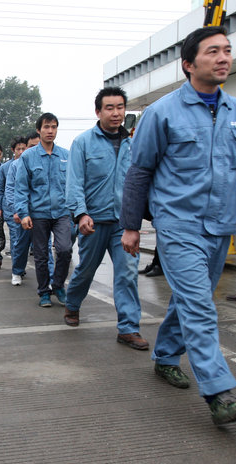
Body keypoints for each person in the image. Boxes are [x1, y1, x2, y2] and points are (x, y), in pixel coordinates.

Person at [120, 26, 236, 425]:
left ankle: (166, 356)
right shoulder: (162, 113)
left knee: (188, 300)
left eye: (227, 51)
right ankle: (219, 392)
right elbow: (139, 172)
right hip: (178, 225)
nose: (223, 58)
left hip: (221, 227)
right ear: (189, 64)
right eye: (213, 51)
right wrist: (131, 226)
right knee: (201, 307)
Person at [65, 87, 148, 350]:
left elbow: (140, 182)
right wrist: (80, 214)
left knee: (127, 273)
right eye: (109, 108)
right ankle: (72, 304)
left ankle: (128, 328)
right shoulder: (83, 143)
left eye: (120, 107)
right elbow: (74, 182)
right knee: (86, 270)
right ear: (98, 111)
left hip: (124, 224)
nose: (116, 113)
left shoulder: (133, 144)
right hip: (93, 222)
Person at [14, 113, 72, 308]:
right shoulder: (28, 157)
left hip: (62, 213)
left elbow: (74, 185)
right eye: (46, 127)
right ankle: (44, 292)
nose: (50, 131)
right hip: (38, 214)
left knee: (65, 249)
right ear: (39, 130)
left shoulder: (66, 155)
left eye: (54, 127)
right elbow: (21, 188)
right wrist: (23, 214)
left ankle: (57, 285)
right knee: (41, 255)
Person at [4, 132, 39, 285]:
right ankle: (17, 271)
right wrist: (16, 210)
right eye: (30, 147)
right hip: (23, 211)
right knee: (21, 244)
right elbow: (10, 190)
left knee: (43, 246)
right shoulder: (15, 166)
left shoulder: (47, 161)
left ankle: (48, 277)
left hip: (41, 212)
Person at [0, 136, 27, 263]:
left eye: (23, 149)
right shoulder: (5, 167)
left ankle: (20, 263)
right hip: (10, 208)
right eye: (18, 149)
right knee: (15, 237)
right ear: (13, 150)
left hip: (27, 208)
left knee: (25, 239)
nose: (21, 152)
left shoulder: (31, 163)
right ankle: (17, 265)